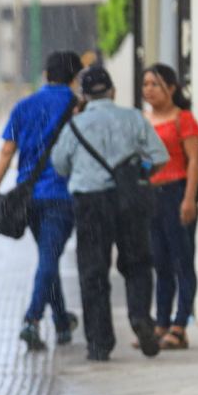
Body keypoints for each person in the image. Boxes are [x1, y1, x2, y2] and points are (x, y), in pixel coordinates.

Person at [50, 65, 168, 362]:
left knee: (93, 271)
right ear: (113, 91)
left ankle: (100, 343)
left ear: (84, 96)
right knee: (138, 263)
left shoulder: (74, 126)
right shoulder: (132, 117)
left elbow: (60, 165)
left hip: (90, 202)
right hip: (129, 199)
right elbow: (160, 157)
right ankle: (140, 317)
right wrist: (138, 173)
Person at [0, 50, 83, 351]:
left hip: (28, 198)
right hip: (62, 195)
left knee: (48, 256)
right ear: (75, 78)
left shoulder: (24, 106)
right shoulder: (77, 107)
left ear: (45, 75)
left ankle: (62, 323)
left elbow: (6, 151)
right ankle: (32, 319)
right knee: (49, 257)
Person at [141, 64, 198, 351]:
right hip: (151, 195)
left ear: (172, 88)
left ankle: (180, 325)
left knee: (182, 261)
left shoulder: (183, 119)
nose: (148, 89)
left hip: (176, 192)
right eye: (146, 84)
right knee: (160, 263)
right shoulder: (144, 121)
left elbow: (195, 161)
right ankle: (162, 323)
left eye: (155, 84)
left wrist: (188, 199)